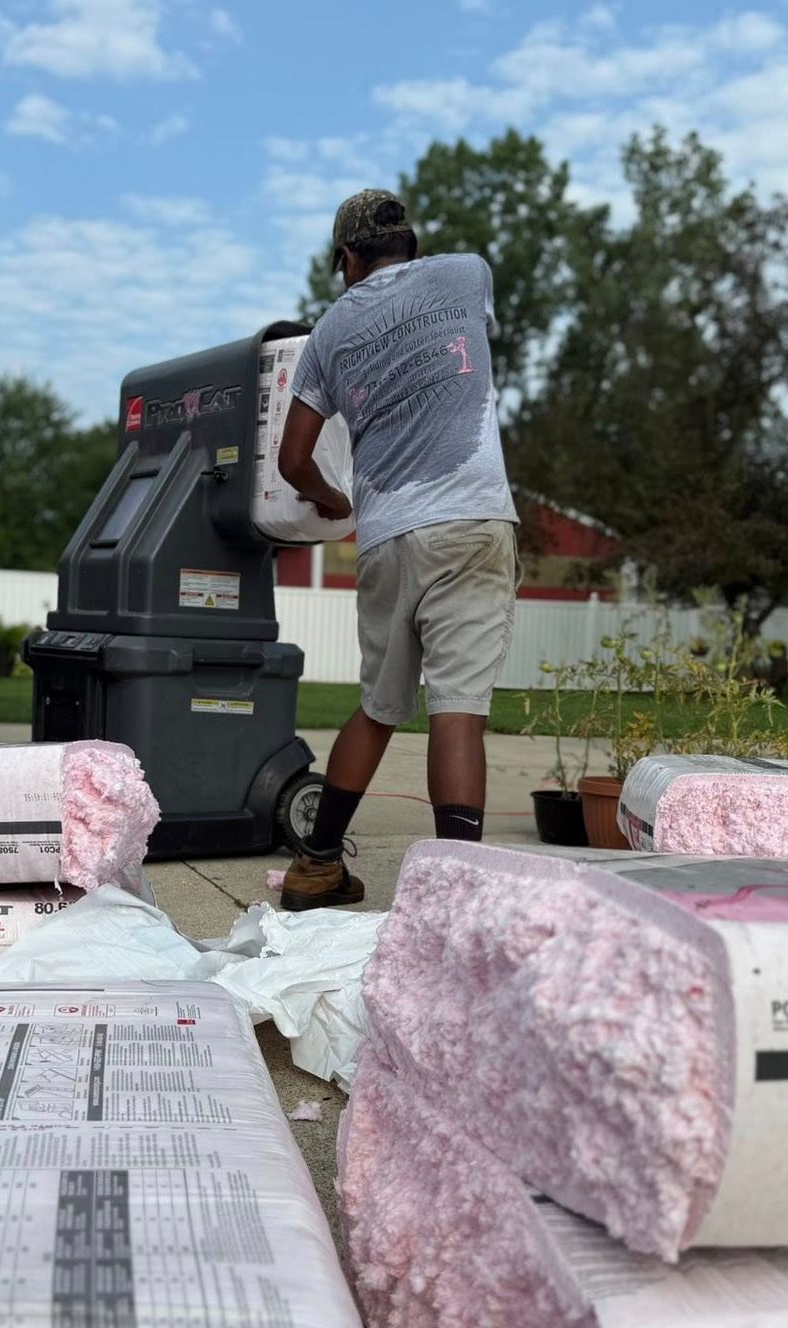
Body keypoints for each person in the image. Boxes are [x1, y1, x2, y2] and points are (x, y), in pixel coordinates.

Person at [274, 188, 520, 911]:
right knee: (458, 709)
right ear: (409, 241)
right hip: (472, 521)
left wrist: (331, 500)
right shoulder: (466, 273)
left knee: (380, 707)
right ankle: (452, 897)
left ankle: (316, 867)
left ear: (348, 257)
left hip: (385, 537)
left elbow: (293, 459)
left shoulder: (326, 335)